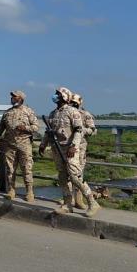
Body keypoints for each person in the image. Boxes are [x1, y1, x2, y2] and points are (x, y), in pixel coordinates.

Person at [40, 87, 100, 217]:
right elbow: (48, 132)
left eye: (58, 94)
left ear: (64, 96)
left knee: (75, 177)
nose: (55, 96)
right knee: (62, 177)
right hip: (57, 149)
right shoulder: (53, 113)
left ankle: (92, 202)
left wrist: (74, 146)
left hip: (70, 149)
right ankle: (67, 204)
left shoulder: (73, 112)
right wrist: (43, 144)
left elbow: (79, 130)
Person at [0, 90, 39, 202]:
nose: (12, 98)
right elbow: (0, 128)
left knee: (26, 168)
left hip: (24, 145)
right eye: (12, 97)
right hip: (10, 145)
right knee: (10, 169)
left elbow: (36, 127)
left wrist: (25, 128)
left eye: (15, 97)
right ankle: (11, 191)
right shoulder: (7, 113)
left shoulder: (28, 111)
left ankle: (29, 192)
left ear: (21, 98)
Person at [69, 93, 96, 210]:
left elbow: (93, 130)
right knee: (68, 174)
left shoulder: (86, 114)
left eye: (75, 102)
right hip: (67, 146)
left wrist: (82, 130)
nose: (73, 104)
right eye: (71, 102)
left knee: (78, 174)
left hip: (80, 148)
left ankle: (79, 200)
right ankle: (70, 199)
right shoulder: (68, 112)